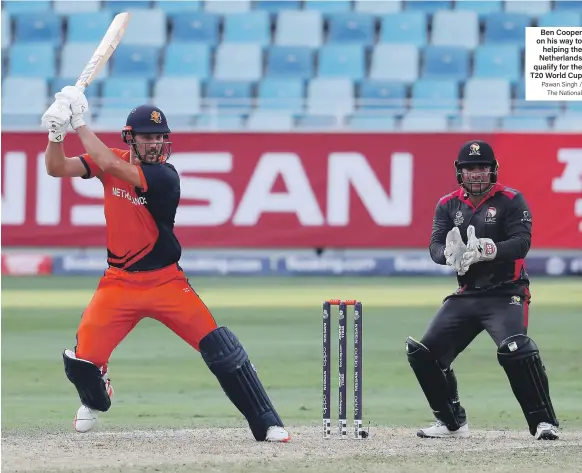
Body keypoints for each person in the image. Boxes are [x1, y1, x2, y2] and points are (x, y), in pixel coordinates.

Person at [40, 86, 290, 442]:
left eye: (160, 137)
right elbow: (55, 168)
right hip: (118, 284)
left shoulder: (165, 177)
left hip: (166, 284)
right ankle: (98, 396)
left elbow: (111, 165)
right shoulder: (108, 157)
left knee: (221, 349)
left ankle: (267, 423)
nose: (156, 144)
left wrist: (79, 121)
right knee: (82, 364)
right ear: (131, 139)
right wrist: (56, 134)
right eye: (148, 138)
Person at [405, 140, 559, 440]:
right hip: (468, 294)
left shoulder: (511, 200)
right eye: (469, 169)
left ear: (493, 171)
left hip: (506, 293)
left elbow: (522, 243)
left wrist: (489, 249)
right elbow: (435, 245)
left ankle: (544, 423)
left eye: (482, 168)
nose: (476, 174)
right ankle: (452, 423)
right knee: (423, 354)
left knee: (516, 348)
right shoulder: (448, 204)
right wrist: (447, 254)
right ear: (460, 173)